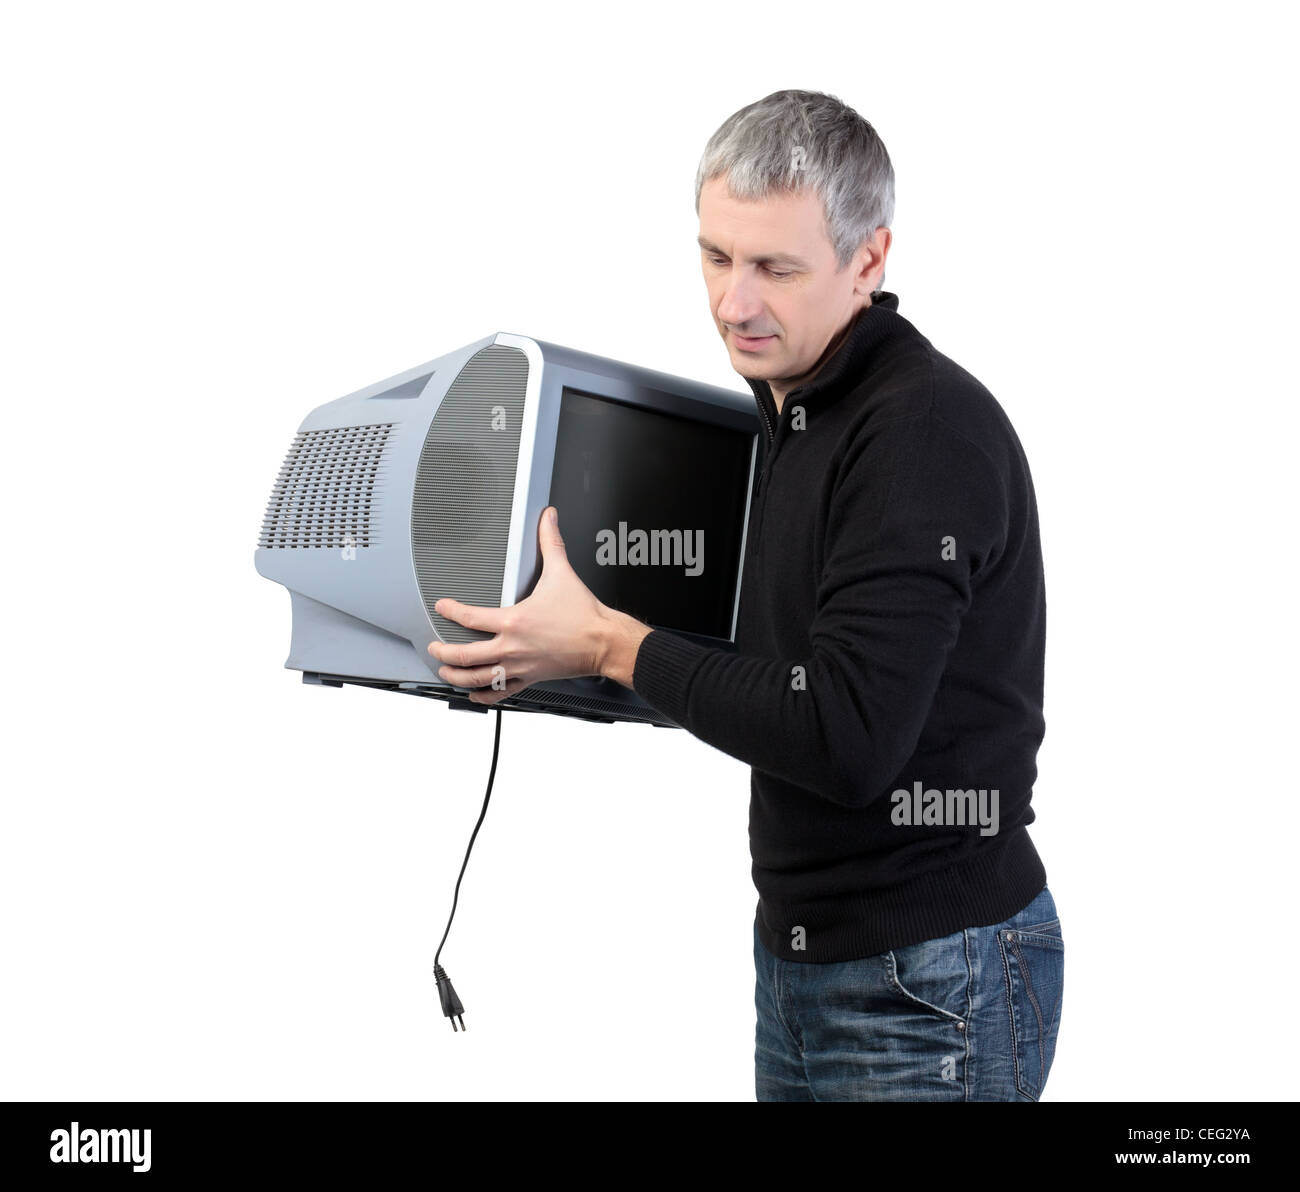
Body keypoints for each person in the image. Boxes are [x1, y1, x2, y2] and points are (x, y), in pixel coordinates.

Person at [428, 89, 1063, 1102]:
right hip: (804, 961)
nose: (732, 302)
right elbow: (760, 675)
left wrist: (611, 647)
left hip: (930, 975)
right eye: (715, 256)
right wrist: (556, 659)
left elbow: (847, 737)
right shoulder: (787, 412)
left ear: (868, 259)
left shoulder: (918, 436)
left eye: (774, 266)